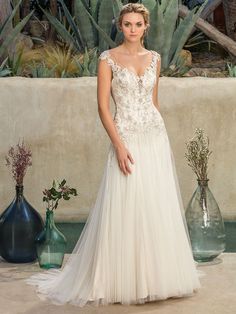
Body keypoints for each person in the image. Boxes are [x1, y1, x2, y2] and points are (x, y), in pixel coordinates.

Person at [25, 3, 205, 307]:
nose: (132, 30)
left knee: (153, 203)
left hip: (154, 136)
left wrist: (160, 140)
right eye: (127, 24)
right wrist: (120, 145)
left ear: (146, 27)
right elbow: (103, 108)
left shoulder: (156, 59)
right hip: (127, 137)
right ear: (119, 26)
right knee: (125, 205)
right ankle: (121, 279)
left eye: (138, 24)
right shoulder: (107, 59)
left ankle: (157, 277)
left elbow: (153, 101)